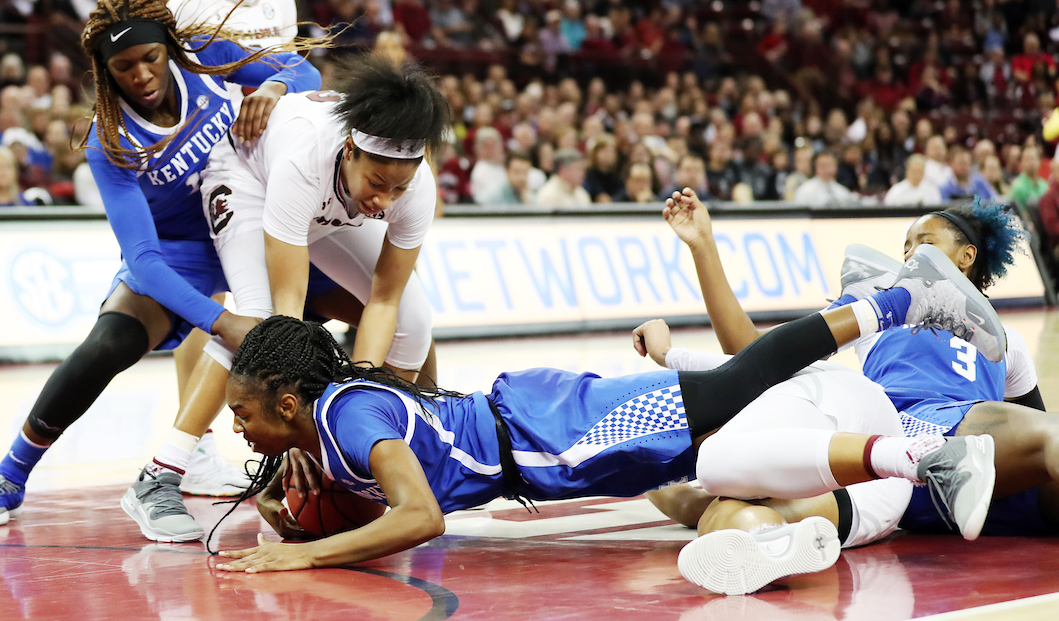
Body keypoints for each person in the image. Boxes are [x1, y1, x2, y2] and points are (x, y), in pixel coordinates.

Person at [212, 263, 997, 575]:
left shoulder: (347, 417)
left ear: (288, 403)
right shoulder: (327, 426)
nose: (236, 428)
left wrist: (305, 557)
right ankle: (857, 489)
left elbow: (419, 517)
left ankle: (898, 304)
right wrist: (294, 511)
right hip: (540, 439)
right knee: (713, 463)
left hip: (547, 433)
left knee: (729, 393)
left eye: (241, 414)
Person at [0, 0, 322, 533]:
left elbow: (307, 74)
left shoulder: (207, 54)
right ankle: (11, 471)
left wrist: (271, 86)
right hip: (181, 252)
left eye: (151, 58)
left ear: (169, 48)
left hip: (252, 224)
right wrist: (223, 323)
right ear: (105, 71)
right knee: (109, 344)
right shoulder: (110, 138)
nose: (143, 75)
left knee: (346, 315)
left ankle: (356, 455)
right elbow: (145, 261)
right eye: (124, 67)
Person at [652, 194, 1057, 594]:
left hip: (926, 485)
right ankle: (744, 528)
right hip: (910, 434)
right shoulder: (887, 310)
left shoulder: (1009, 340)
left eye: (926, 243)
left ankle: (760, 538)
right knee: (1047, 437)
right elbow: (754, 352)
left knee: (740, 507)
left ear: (967, 256)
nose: (910, 255)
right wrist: (703, 246)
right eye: (907, 248)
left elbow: (1024, 435)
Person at [145, 56, 449, 544]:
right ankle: (161, 473)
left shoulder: (414, 189)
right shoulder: (307, 156)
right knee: (260, 319)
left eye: (399, 188)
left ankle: (379, 443)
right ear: (350, 151)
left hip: (322, 206)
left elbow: (386, 303)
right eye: (377, 184)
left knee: (415, 315)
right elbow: (290, 309)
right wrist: (304, 426)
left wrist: (348, 417)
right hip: (249, 179)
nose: (385, 202)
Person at [164, 0, 358, 497]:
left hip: (258, 156)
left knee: (228, 304)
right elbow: (217, 76)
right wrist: (276, 75)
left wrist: (275, 81)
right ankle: (189, 450)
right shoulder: (187, 1)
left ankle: (198, 449)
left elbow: (295, 72)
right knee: (211, 308)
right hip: (202, 157)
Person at [792, 151, 859, 207]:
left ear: (836, 167)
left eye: (829, 164)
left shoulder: (843, 192)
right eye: (823, 165)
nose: (826, 168)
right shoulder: (805, 191)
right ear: (816, 167)